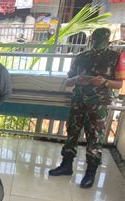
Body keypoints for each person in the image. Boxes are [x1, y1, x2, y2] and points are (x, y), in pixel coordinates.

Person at [49, 28, 123, 188]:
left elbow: (119, 84)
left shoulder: (115, 57)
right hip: (78, 101)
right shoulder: (81, 57)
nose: (97, 42)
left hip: (98, 104)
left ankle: (90, 173)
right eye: (95, 39)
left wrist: (104, 82)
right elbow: (68, 81)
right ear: (91, 39)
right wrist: (76, 79)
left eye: (101, 39)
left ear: (108, 41)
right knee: (72, 133)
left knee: (94, 138)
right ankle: (66, 165)